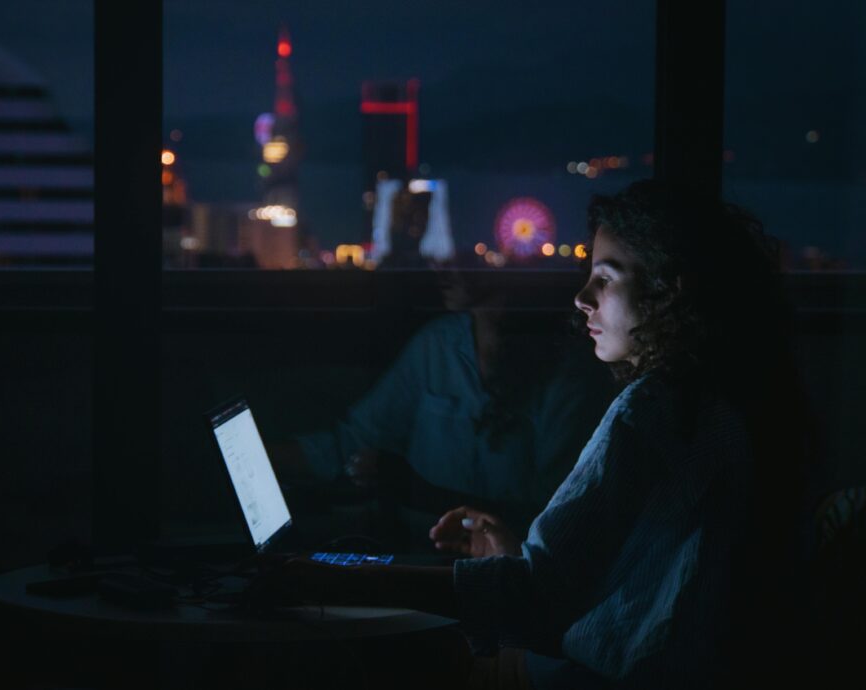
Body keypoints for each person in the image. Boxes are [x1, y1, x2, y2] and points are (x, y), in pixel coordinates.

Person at [271, 180, 812, 689]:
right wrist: (518, 555)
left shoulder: (650, 410)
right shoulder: (717, 401)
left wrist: (340, 581)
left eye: (604, 278)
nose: (582, 298)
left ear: (668, 292)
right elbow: (620, 573)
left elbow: (537, 598)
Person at [290, 269, 615, 550]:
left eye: (463, 253)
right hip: (417, 548)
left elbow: (556, 514)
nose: (441, 266)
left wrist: (416, 490)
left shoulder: (568, 372)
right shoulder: (437, 344)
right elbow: (351, 439)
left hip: (506, 566)